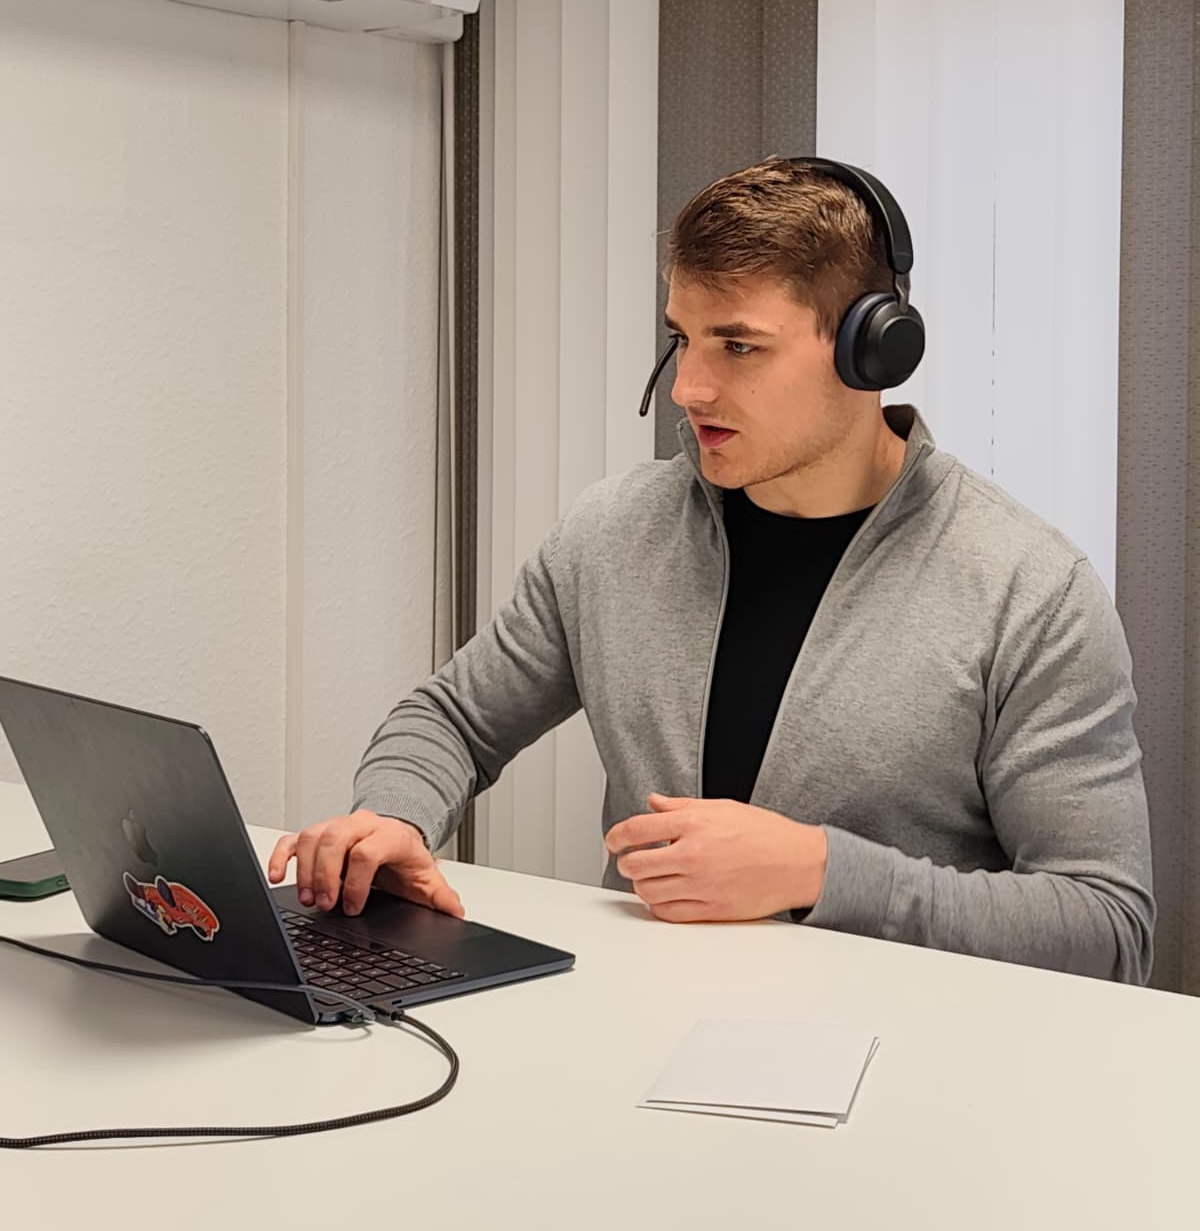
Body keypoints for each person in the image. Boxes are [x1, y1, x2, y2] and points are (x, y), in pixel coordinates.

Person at [269, 157, 1155, 984]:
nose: (688, 387)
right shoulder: (614, 533)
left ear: (870, 352)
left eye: (737, 346)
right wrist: (393, 817)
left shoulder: (1029, 590)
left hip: (902, 1071)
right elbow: (454, 718)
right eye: (681, 338)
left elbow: (1107, 927)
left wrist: (817, 872)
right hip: (640, 1040)